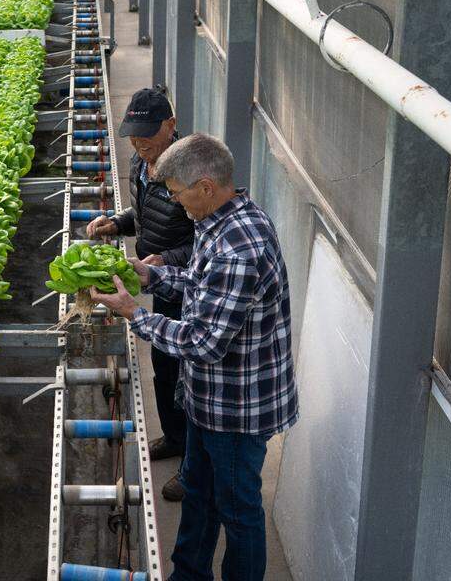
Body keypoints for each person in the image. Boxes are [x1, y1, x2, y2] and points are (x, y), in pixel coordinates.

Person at [89, 132, 298, 581]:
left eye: (178, 193)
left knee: (238, 510)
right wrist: (151, 276)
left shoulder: (238, 249)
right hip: (209, 399)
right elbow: (203, 289)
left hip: (237, 409)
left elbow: (203, 342)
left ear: (205, 186)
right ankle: (188, 573)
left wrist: (132, 314)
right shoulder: (222, 221)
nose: (174, 202)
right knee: (200, 492)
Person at [86, 87, 195, 501]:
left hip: (189, 284)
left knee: (193, 378)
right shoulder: (141, 161)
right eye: (133, 135)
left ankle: (192, 469)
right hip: (162, 283)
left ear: (171, 124)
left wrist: (166, 260)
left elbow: (204, 239)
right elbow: (144, 215)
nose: (139, 143)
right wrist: (116, 223)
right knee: (164, 366)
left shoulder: (187, 170)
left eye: (147, 135)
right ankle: (174, 437)